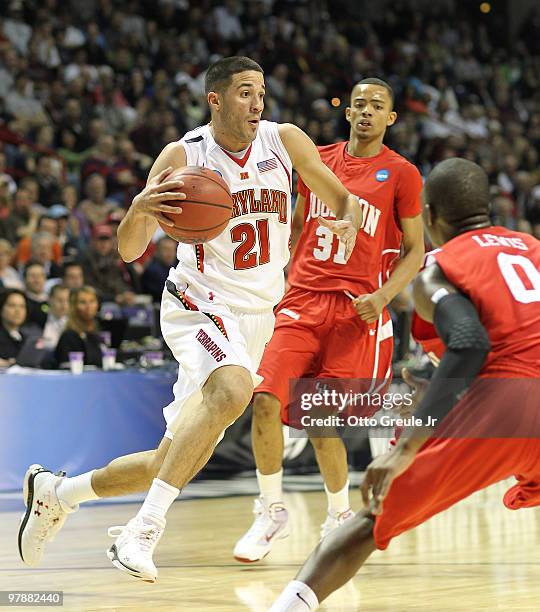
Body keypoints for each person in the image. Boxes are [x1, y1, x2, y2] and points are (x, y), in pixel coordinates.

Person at [18, 56, 361, 581]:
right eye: (246, 92)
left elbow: (339, 197)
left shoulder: (284, 140)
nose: (258, 102)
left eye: (262, 91)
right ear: (216, 100)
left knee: (171, 459)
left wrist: (347, 220)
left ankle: (57, 493)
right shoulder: (184, 156)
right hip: (199, 300)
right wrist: (140, 207)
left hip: (257, 313)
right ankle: (142, 530)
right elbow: (130, 250)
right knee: (233, 391)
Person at [269, 158, 540, 611]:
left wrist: (406, 447)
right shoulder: (533, 247)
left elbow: (470, 343)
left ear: (429, 216)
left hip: (508, 403)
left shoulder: (438, 265)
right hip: (515, 387)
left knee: (371, 519)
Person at [234, 78, 424, 562]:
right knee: (263, 401)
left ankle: (338, 515)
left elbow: (416, 249)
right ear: (348, 113)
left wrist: (383, 296)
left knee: (322, 424)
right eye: (359, 104)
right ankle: (270, 509)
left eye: (376, 106)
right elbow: (295, 226)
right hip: (300, 300)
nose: (365, 112)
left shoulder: (402, 174)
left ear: (390, 118)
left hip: (355, 308)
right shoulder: (316, 159)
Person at [53, 286, 102, 368]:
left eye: (92, 301)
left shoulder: (100, 331)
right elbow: (65, 367)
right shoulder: (69, 336)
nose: (88, 306)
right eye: (83, 302)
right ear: (74, 306)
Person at [141, 236, 177, 302]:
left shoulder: (177, 268)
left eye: (172, 250)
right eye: (166, 249)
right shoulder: (151, 270)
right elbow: (161, 293)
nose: (170, 253)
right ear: (157, 251)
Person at [0, 288, 27, 367]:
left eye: (22, 306)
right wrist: (7, 364)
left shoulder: (25, 338)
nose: (18, 310)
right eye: (12, 305)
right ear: (1, 309)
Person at [41, 284, 69, 350]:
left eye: (67, 300)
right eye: (60, 300)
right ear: (50, 300)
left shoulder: (73, 323)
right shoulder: (40, 320)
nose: (64, 305)